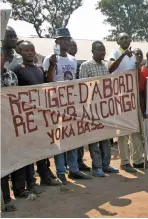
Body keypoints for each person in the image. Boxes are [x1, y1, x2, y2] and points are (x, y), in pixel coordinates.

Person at [43, 28, 92, 184]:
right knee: (60, 139)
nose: (66, 42)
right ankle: (61, 171)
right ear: (56, 42)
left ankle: (74, 169)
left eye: (68, 39)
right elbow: (47, 82)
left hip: (72, 104)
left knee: (72, 137)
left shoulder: (72, 60)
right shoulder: (49, 58)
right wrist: (51, 65)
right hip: (56, 104)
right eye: (62, 39)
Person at [13, 41, 62, 189]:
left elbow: (48, 85)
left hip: (40, 115)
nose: (30, 52)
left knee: (42, 149)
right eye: (26, 50)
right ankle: (30, 182)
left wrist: (52, 65)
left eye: (32, 50)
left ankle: (45, 176)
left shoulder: (39, 69)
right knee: (28, 151)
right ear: (20, 52)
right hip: (25, 117)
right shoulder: (16, 69)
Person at [109, 32, 148, 171]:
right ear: (117, 41)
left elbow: (136, 76)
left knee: (136, 129)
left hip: (133, 97)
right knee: (122, 131)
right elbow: (110, 69)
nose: (125, 39)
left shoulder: (134, 56)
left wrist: (138, 67)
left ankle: (138, 160)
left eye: (127, 37)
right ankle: (125, 161)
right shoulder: (115, 53)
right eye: (122, 38)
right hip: (120, 96)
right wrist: (123, 55)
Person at [79, 41, 119, 177]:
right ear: (93, 51)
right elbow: (83, 88)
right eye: (100, 50)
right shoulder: (86, 66)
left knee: (106, 138)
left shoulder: (105, 66)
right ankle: (96, 167)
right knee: (94, 139)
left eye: (104, 50)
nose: (103, 53)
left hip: (105, 108)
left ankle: (106, 165)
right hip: (92, 108)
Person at [1, 46, 21, 212]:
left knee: (6, 163)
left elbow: (19, 100)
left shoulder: (11, 75)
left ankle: (7, 199)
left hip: (8, 127)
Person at [67, 39, 91, 172]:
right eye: (71, 45)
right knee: (69, 135)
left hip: (80, 104)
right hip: (68, 104)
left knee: (80, 134)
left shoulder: (78, 63)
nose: (73, 47)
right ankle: (69, 164)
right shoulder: (60, 61)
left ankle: (80, 161)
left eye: (75, 45)